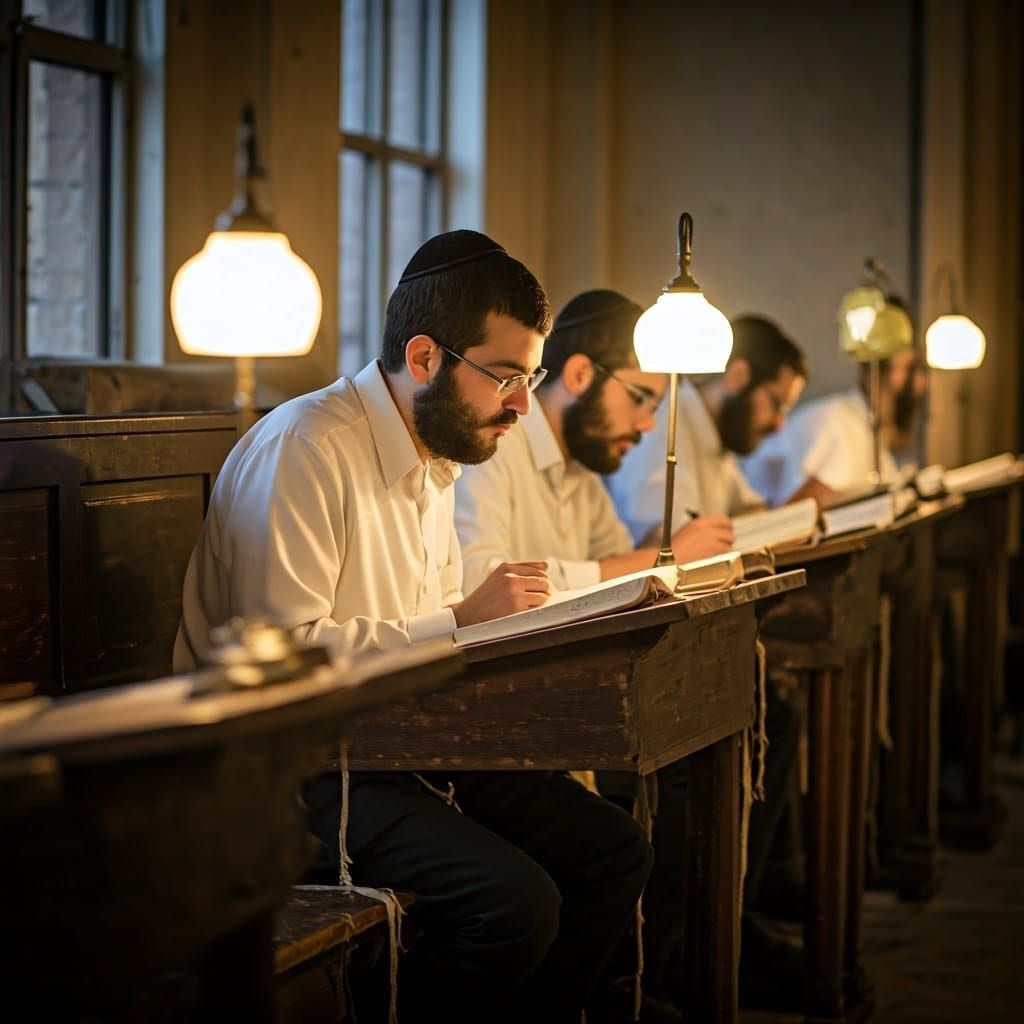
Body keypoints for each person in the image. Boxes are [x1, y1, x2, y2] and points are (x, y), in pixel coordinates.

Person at [174, 233, 652, 1024]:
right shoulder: (308, 446)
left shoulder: (437, 457)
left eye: (529, 379)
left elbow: (437, 641)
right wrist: (461, 621)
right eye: (506, 376)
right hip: (290, 773)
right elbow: (279, 663)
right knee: (516, 906)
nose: (523, 405)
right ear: (425, 357)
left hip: (399, 747)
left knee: (610, 850)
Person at [455, 292, 805, 1017]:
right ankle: (643, 970)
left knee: (736, 719)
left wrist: (671, 562)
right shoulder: (496, 448)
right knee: (673, 779)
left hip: (559, 689)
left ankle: (664, 960)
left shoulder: (580, 473)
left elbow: (606, 562)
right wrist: (651, 560)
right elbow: (488, 586)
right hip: (491, 709)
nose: (649, 426)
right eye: (642, 400)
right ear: (579, 375)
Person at [607, 315, 808, 544]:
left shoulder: (715, 434)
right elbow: (665, 537)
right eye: (776, 405)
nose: (780, 423)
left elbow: (750, 510)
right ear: (738, 375)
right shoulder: (664, 420)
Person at [742, 345, 927, 507]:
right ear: (875, 370)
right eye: (911, 369)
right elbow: (795, 512)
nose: (920, 383)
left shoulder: (866, 426)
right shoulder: (838, 422)